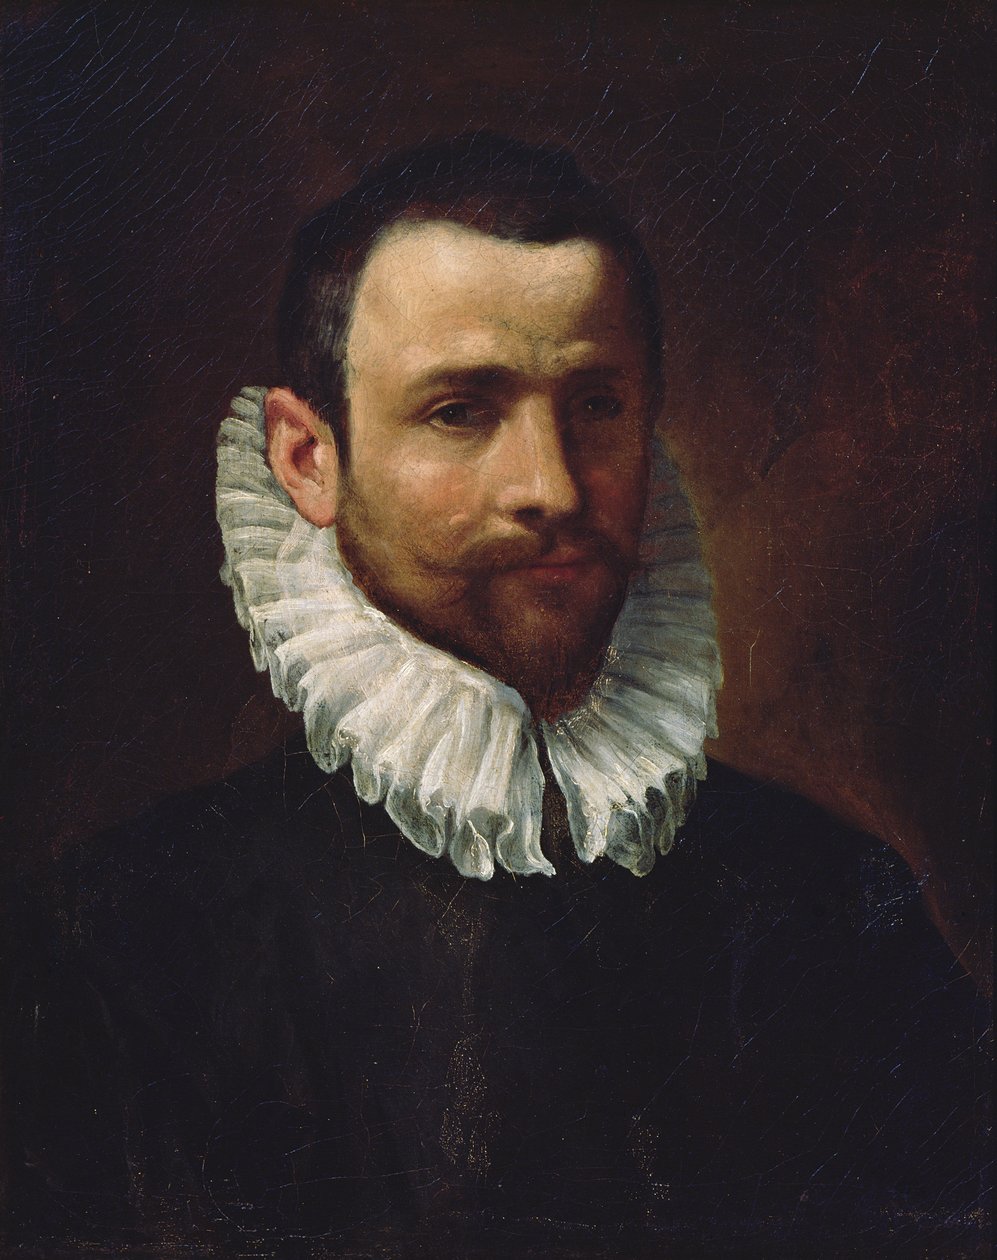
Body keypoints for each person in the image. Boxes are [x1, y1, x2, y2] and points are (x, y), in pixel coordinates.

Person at [3, 134, 989, 1258]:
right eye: (461, 412)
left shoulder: (836, 901)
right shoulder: (111, 948)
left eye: (597, 404)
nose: (552, 487)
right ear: (307, 459)